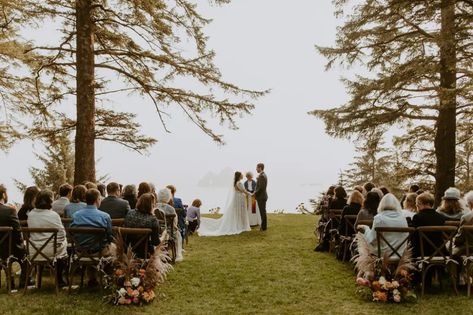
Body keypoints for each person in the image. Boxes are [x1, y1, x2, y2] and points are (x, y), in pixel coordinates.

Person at [71, 188, 114, 287]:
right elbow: (110, 236)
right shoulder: (105, 216)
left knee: (91, 245)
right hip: (98, 252)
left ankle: (92, 279)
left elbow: (72, 233)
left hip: (80, 252)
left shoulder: (75, 216)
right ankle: (110, 278)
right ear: (98, 199)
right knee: (113, 248)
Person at [27, 190, 68, 286]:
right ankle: (60, 279)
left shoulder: (31, 215)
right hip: (51, 251)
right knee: (63, 244)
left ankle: (40, 277)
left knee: (59, 244)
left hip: (34, 251)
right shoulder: (54, 215)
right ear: (51, 202)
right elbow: (62, 235)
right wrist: (58, 242)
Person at [198, 171, 251, 236]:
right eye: (241, 175)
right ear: (239, 176)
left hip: (238, 198)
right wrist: (251, 194)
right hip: (239, 199)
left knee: (238, 212)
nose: (243, 175)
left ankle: (240, 225)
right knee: (239, 212)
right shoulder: (239, 183)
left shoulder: (236, 183)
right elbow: (243, 191)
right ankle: (240, 225)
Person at [0, 184, 28, 289]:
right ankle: (24, 282)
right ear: (3, 194)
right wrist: (21, 243)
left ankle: (11, 279)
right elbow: (17, 231)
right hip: (9, 248)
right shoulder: (10, 210)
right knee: (25, 254)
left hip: (3, 249)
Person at [124, 193, 161, 258]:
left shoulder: (129, 213)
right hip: (144, 253)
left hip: (127, 250)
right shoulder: (153, 220)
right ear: (152, 205)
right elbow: (155, 242)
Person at [411, 192, 447, 258]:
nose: (417, 206)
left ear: (420, 203)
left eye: (417, 204)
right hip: (440, 252)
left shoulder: (417, 217)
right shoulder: (441, 217)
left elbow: (413, 236)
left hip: (422, 252)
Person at [314, 186, 348, 252]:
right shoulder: (346, 202)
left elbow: (330, 214)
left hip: (334, 223)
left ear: (336, 193)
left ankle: (325, 243)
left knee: (328, 227)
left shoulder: (334, 202)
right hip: (344, 224)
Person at [156, 188, 183, 261]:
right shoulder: (171, 209)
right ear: (168, 197)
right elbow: (174, 223)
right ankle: (175, 254)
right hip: (169, 232)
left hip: (156, 231)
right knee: (178, 233)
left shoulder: (154, 206)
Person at [453, 191, 473, 255]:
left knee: (451, 250)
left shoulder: (466, 218)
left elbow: (459, 240)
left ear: (470, 204)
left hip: (469, 249)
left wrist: (454, 241)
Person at [254, 163, 268, 231]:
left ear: (260, 168)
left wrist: (254, 193)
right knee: (262, 212)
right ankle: (263, 226)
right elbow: (259, 186)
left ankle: (263, 227)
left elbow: (261, 188)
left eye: (257, 168)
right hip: (262, 196)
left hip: (261, 197)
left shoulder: (262, 176)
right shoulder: (262, 175)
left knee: (262, 212)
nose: (256, 169)